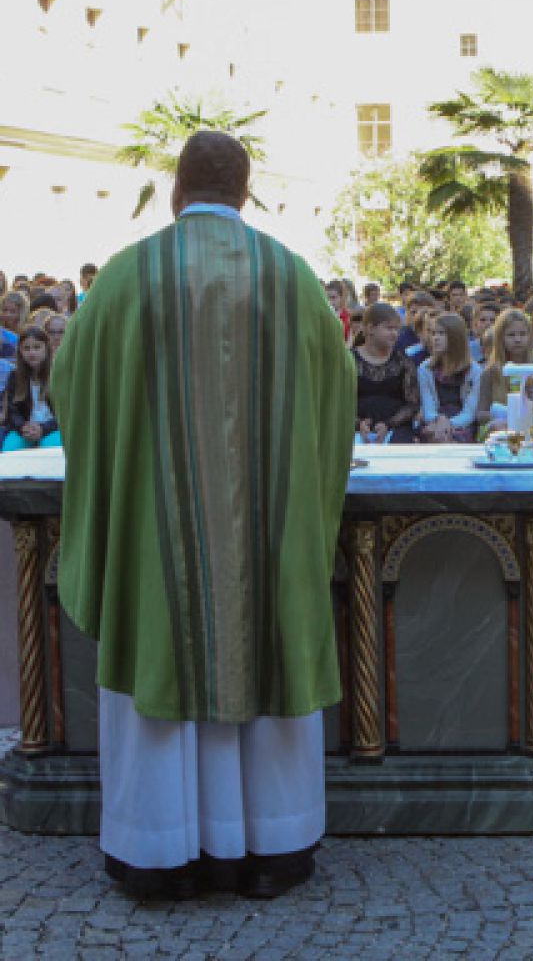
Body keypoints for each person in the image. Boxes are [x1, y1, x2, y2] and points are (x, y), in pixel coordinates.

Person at [49, 131, 355, 900]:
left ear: (177, 190)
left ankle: (160, 852)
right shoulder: (291, 277)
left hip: (160, 545)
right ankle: (272, 849)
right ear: (244, 193)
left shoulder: (128, 275)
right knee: (269, 647)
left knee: (161, 658)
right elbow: (338, 392)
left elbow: (70, 383)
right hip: (270, 535)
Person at [354, 302, 418, 444]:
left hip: (396, 429)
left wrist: (389, 425)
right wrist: (358, 424)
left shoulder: (403, 362)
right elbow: (338, 403)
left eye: (397, 329)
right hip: (354, 431)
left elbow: (412, 404)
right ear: (370, 328)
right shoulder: (349, 362)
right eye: (389, 328)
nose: (395, 334)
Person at [417, 312, 482, 443]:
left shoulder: (475, 371)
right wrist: (439, 421)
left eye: (441, 334)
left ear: (455, 337)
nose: (435, 338)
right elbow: (428, 408)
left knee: (450, 438)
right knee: (431, 435)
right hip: (434, 422)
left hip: (463, 423)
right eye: (434, 333)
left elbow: (469, 413)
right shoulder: (425, 368)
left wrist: (447, 425)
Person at [1, 326, 61, 451]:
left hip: (52, 428)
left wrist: (43, 428)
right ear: (20, 351)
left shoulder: (59, 374)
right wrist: (23, 427)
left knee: (52, 448)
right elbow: (13, 412)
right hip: (25, 428)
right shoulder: (15, 376)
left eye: (37, 347)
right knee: (10, 448)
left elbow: (65, 412)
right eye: (26, 348)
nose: (31, 352)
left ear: (46, 348)